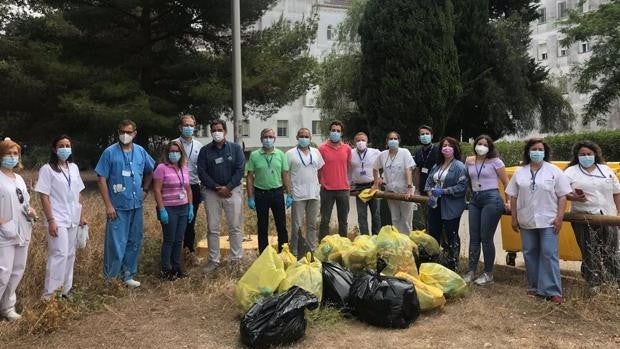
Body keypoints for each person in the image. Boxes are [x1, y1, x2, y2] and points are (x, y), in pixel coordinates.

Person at [505, 138, 571, 304]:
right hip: (526, 220)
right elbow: (513, 195)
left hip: (549, 220)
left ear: (545, 152)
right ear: (528, 152)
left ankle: (553, 291)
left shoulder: (554, 171)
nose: (537, 152)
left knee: (549, 253)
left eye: (540, 149)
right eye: (534, 149)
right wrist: (514, 217)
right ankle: (534, 287)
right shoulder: (520, 172)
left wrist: (560, 217)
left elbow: (562, 196)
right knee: (529, 253)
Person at [95, 120, 155, 288]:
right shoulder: (109, 152)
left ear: (135, 133)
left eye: (129, 132)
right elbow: (101, 178)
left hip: (136, 205)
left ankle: (128, 275)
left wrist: (145, 189)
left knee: (134, 241)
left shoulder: (140, 151)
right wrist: (108, 205)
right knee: (115, 243)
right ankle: (110, 279)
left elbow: (151, 170)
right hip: (117, 207)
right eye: (122, 131)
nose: (125, 135)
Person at [36, 135, 87, 299]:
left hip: (72, 217)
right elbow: (44, 196)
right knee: (59, 254)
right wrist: (51, 220)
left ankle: (65, 290)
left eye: (67, 145)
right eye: (61, 146)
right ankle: (50, 295)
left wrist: (81, 216)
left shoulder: (74, 168)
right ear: (54, 149)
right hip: (57, 218)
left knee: (70, 254)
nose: (65, 148)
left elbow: (79, 193)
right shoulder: (47, 169)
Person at [564, 140, 620, 288]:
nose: (586, 156)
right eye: (582, 154)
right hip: (584, 217)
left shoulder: (605, 170)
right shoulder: (570, 172)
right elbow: (561, 193)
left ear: (595, 154)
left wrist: (619, 213)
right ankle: (594, 284)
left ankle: (614, 282)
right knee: (590, 251)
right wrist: (574, 197)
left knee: (611, 250)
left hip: (608, 216)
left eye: (589, 154)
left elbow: (617, 192)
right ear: (577, 156)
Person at [197, 120, 245, 274]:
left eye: (219, 129)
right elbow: (202, 172)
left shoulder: (236, 149)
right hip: (212, 193)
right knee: (212, 228)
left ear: (225, 131)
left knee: (235, 227)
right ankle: (213, 261)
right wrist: (217, 187)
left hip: (233, 191)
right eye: (213, 130)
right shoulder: (205, 151)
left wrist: (228, 187)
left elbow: (240, 169)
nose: (216, 132)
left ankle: (236, 260)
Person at [463, 135, 510, 285]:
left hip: (492, 198)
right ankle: (471, 271)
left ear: (489, 147)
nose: (481, 146)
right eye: (479, 143)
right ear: (475, 145)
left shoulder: (496, 161)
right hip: (475, 199)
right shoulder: (469, 161)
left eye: (485, 144)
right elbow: (466, 180)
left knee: (486, 237)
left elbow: (506, 183)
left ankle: (488, 273)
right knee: (474, 237)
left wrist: (508, 201)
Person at [0, 138, 36, 321]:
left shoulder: (19, 178)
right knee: (2, 272)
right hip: (4, 233)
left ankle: (8, 307)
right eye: (8, 153)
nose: (12, 157)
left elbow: (25, 201)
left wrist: (31, 211)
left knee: (17, 270)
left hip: (23, 229)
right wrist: (3, 224)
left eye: (15, 153)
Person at [424, 136, 468, 271]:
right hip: (435, 204)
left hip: (451, 205)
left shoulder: (460, 166)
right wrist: (430, 193)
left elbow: (462, 187)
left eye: (449, 145)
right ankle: (435, 260)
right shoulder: (436, 166)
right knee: (434, 232)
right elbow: (428, 183)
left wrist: (444, 191)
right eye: (444, 145)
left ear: (455, 148)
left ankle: (453, 263)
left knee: (451, 233)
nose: (446, 148)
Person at [246, 128, 291, 253]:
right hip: (261, 194)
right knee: (262, 226)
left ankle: (284, 253)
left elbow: (285, 174)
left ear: (274, 139)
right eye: (265, 137)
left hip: (277, 193)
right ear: (261, 139)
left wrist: (289, 194)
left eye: (271, 137)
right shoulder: (254, 155)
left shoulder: (281, 154)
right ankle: (264, 255)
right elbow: (249, 176)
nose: (268, 139)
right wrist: (250, 197)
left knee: (281, 226)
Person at [153, 140, 193, 280]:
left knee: (179, 239)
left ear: (181, 153)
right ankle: (166, 269)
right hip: (168, 207)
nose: (174, 154)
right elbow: (157, 190)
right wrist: (162, 209)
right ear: (167, 152)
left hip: (183, 207)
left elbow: (188, 188)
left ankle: (177, 267)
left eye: (177, 151)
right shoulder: (161, 168)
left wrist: (191, 206)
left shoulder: (184, 168)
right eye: (171, 151)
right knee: (169, 239)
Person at [286, 128, 324, 257]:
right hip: (297, 195)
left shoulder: (316, 152)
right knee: (296, 226)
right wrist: (289, 192)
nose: (304, 138)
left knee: (312, 225)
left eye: (306, 136)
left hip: (314, 194)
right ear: (297, 137)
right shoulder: (290, 154)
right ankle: (294, 252)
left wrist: (318, 185)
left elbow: (319, 170)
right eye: (301, 136)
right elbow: (285, 173)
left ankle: (311, 251)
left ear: (310, 138)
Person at [372, 131, 416, 235]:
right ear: (386, 141)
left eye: (395, 139)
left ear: (399, 141)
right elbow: (375, 167)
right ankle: (397, 243)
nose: (393, 141)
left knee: (406, 220)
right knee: (395, 219)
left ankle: (407, 245)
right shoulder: (383, 155)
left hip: (405, 191)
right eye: (390, 139)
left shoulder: (404, 152)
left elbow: (408, 169)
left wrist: (409, 187)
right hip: (391, 192)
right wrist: (376, 183)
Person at [174, 114, 203, 254]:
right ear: (180, 127)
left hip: (193, 186)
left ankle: (189, 250)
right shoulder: (173, 144)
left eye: (191, 125)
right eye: (186, 125)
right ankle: (176, 250)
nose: (189, 128)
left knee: (191, 220)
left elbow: (202, 167)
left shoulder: (198, 145)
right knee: (177, 220)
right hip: (176, 187)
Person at [318, 121, 351, 238]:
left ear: (341, 133)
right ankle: (323, 246)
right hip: (327, 190)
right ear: (329, 132)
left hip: (343, 190)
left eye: (338, 131)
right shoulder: (321, 149)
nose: (335, 133)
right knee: (324, 221)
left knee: (343, 221)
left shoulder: (347, 149)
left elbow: (349, 167)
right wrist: (322, 182)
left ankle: (343, 246)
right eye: (333, 130)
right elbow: (318, 169)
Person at [349, 132, 381, 235]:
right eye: (358, 140)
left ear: (367, 141)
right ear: (354, 142)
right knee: (362, 215)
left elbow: (386, 162)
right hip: (359, 188)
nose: (360, 142)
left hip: (373, 186)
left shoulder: (375, 152)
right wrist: (348, 182)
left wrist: (382, 177)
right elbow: (347, 168)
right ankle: (365, 239)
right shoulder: (350, 153)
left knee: (376, 215)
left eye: (363, 140)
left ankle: (376, 237)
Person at [413, 125, 439, 195]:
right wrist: (416, 189)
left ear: (432, 136)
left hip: (434, 188)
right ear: (419, 137)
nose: (425, 136)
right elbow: (417, 171)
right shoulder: (418, 152)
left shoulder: (438, 151)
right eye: (422, 134)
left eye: (427, 134)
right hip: (422, 187)